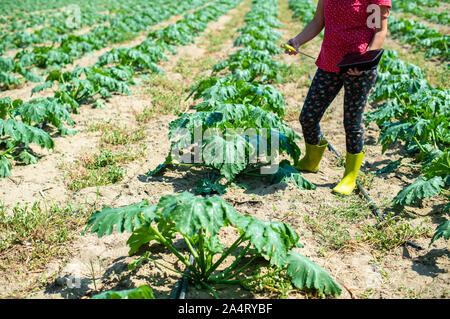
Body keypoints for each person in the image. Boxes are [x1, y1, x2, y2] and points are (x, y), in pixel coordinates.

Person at [284, 0, 391, 195]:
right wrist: (298, 40)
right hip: (329, 61)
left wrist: (365, 61)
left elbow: (379, 30)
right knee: (308, 116)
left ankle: (350, 175)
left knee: (352, 122)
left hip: (358, 66)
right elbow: (318, 21)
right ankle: (311, 160)